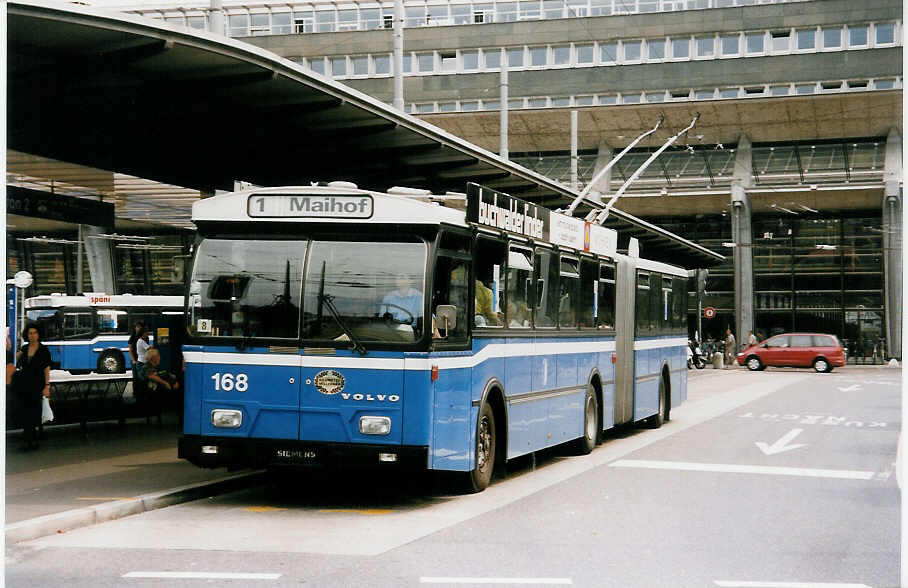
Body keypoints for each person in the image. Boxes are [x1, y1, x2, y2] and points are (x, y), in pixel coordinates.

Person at [15, 324, 52, 450]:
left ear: (39, 334)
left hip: (37, 384)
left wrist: (47, 386)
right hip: (25, 384)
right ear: (27, 335)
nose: (32, 335)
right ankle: (27, 439)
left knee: (35, 411)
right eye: (30, 333)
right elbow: (19, 363)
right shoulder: (24, 349)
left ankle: (34, 439)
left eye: (35, 332)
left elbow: (47, 369)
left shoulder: (43, 349)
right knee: (25, 411)